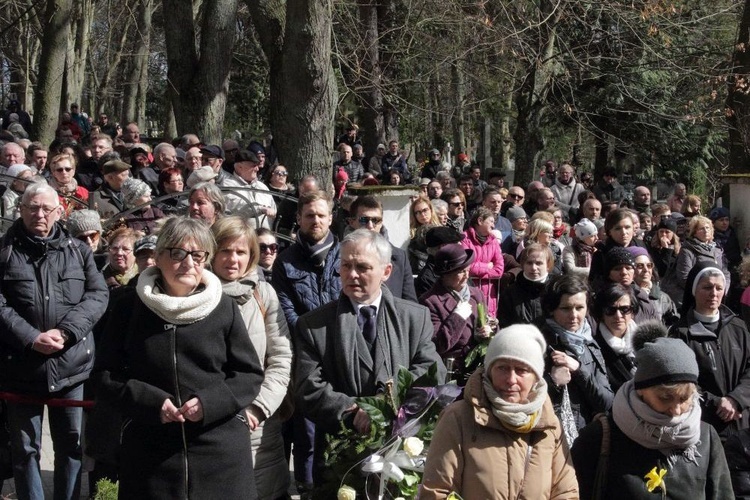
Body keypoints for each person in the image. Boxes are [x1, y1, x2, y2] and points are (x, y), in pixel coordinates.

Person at [92, 216, 264, 499]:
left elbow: (248, 375)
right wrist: (150, 402)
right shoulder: (127, 307)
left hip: (219, 456)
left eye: (198, 255)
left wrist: (209, 403)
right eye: (178, 253)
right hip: (151, 457)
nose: (188, 263)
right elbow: (105, 376)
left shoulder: (224, 307)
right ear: (158, 257)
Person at [294, 229, 445, 484]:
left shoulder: (414, 318)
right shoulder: (314, 325)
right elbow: (308, 386)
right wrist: (354, 412)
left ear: (386, 272)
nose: (352, 274)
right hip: (339, 457)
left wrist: (384, 405)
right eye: (346, 266)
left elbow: (433, 371)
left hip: (400, 455)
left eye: (362, 267)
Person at [0, 182, 108, 500]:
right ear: (20, 210)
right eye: (33, 207)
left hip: (71, 367)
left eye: (47, 208)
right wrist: (30, 337)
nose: (40, 214)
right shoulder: (4, 252)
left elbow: (98, 294)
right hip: (20, 369)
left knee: (72, 449)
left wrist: (67, 332)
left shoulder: (78, 251)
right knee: (25, 452)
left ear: (59, 211)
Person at [571, 323, 733, 499]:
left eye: (685, 399)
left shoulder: (706, 438)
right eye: (665, 398)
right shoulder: (599, 437)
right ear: (640, 390)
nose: (676, 410)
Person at [421, 324, 579, 499]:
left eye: (521, 370)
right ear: (489, 372)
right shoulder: (458, 418)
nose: (511, 379)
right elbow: (437, 490)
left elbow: (566, 492)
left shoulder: (549, 426)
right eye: (502, 368)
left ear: (536, 377)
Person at [211, 217, 292, 499]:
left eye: (241, 252)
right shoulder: (196, 294)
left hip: (257, 422)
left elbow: (280, 359)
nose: (233, 259)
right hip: (210, 420)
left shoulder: (263, 293)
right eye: (225, 250)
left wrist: (259, 408)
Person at [671, 262, 750, 438]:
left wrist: (737, 399)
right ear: (694, 290)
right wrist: (718, 404)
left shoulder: (739, 327)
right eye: (707, 287)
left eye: (718, 288)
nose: (713, 293)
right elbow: (683, 382)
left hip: (743, 421)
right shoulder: (680, 333)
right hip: (705, 426)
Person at [539, 274, 613, 445]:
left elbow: (606, 402)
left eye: (579, 308)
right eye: (566, 308)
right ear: (552, 309)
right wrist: (553, 382)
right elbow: (523, 401)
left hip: (585, 441)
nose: (573, 315)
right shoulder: (538, 344)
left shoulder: (590, 344)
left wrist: (579, 370)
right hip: (549, 440)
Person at [419, 244, 490, 383]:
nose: (467, 276)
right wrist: (458, 316)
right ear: (445, 275)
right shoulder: (430, 301)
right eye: (461, 272)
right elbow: (437, 344)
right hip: (450, 373)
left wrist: (489, 330)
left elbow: (486, 324)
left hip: (477, 370)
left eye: (467, 270)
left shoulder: (477, 294)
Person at [347, 195, 418, 301]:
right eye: (364, 220)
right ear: (352, 222)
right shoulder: (339, 256)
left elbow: (410, 304)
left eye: (376, 220)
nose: (370, 225)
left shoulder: (399, 257)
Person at [666, 215, 730, 307]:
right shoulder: (687, 250)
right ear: (694, 232)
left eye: (708, 228)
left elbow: (725, 272)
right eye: (701, 228)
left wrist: (722, 289)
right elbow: (684, 277)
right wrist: (704, 291)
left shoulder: (717, 250)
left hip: (716, 297)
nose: (706, 230)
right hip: (695, 299)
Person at [591, 284, 638, 393]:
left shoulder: (647, 342)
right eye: (610, 310)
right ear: (601, 313)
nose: (618, 315)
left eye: (624, 309)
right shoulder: (594, 349)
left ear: (632, 312)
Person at [461, 207, 504, 316]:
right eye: (491, 221)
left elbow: (499, 270)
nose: (493, 226)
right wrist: (487, 266)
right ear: (480, 221)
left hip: (489, 295)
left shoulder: (493, 241)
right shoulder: (464, 239)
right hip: (469, 290)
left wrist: (477, 270)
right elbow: (465, 266)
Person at [498, 244, 553, 327]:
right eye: (529, 263)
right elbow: (504, 325)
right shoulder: (509, 294)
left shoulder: (557, 291)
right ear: (523, 265)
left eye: (539, 263)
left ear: (548, 265)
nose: (534, 268)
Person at [49, 153, 89, 217]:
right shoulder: (48, 192)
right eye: (59, 170)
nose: (64, 172)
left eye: (68, 169)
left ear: (73, 171)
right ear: (53, 173)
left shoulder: (83, 191)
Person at [408, 195, 439, 273]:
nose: (422, 214)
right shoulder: (411, 235)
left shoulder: (441, 230)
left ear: (431, 210)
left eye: (425, 210)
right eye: (418, 212)